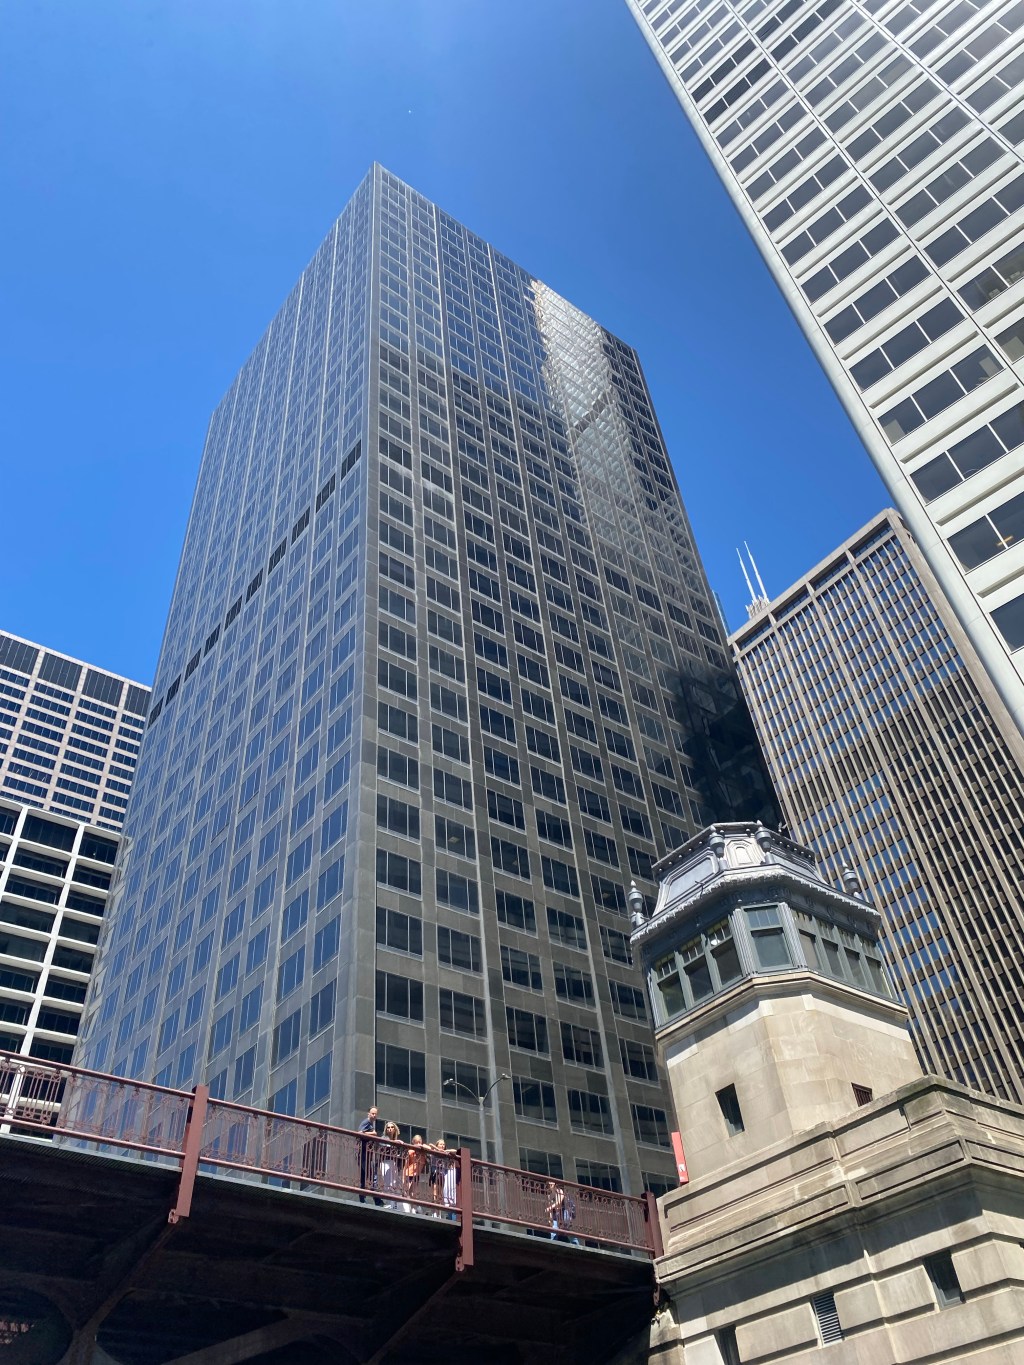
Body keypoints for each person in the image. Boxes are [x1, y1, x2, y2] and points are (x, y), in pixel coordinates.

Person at [357, 1104, 381, 1204]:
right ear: (369, 1114)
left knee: (364, 1175)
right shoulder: (366, 1122)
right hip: (363, 1153)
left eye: (376, 1114)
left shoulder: (370, 1124)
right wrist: (373, 1134)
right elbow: (359, 1132)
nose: (374, 1115)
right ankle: (377, 1199)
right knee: (371, 1175)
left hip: (366, 1153)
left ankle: (362, 1198)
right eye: (372, 1113)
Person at [377, 1120, 402, 1207]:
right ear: (386, 1129)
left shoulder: (395, 1140)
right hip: (385, 1162)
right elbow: (386, 1146)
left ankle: (393, 1204)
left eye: (392, 1127)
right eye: (388, 1127)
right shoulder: (384, 1138)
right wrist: (397, 1142)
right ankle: (390, 1204)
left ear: (395, 1129)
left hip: (393, 1163)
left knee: (394, 1183)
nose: (390, 1129)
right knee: (388, 1183)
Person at [403, 1134, 428, 1212]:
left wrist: (422, 1146)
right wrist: (403, 1177)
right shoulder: (411, 1152)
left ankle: (413, 1208)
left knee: (413, 1192)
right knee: (407, 1191)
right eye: (416, 1142)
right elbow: (406, 1165)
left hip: (416, 1175)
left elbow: (429, 1148)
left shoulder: (423, 1153)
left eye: (419, 1142)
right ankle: (408, 1208)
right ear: (413, 1142)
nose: (418, 1144)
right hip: (409, 1174)